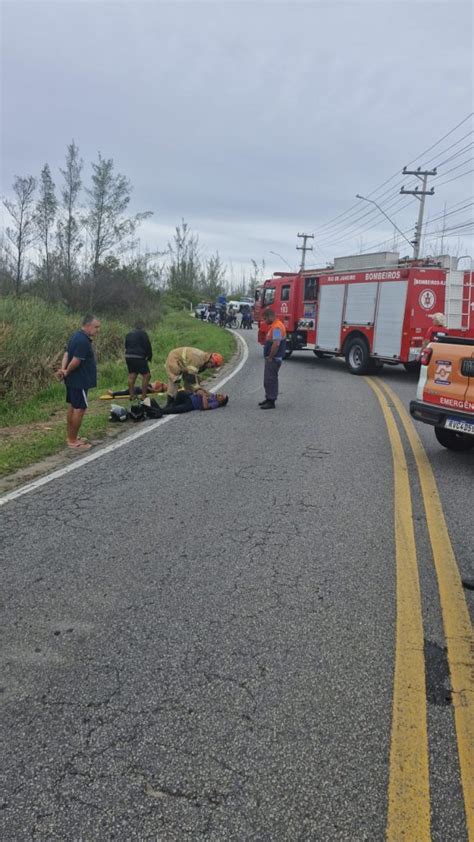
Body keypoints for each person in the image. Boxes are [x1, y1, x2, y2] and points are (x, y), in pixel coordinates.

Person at [57, 314, 101, 449]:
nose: (98, 330)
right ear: (88, 326)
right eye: (96, 327)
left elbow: (66, 354)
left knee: (72, 407)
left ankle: (71, 436)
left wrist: (63, 370)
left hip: (72, 380)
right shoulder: (83, 341)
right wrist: (67, 371)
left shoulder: (75, 336)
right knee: (80, 409)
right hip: (79, 381)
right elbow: (76, 360)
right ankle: (72, 440)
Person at [259, 308, 287, 409]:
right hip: (273, 358)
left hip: (274, 359)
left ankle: (271, 401)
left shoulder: (277, 327)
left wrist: (270, 357)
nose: (264, 321)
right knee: (268, 379)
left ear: (270, 317)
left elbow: (276, 344)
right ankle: (268, 398)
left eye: (265, 319)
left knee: (270, 379)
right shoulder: (275, 326)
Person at [125, 320, 153, 401]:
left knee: (132, 375)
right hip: (138, 356)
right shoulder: (143, 333)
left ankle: (132, 396)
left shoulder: (129, 334)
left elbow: (126, 345)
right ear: (142, 327)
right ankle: (143, 396)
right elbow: (147, 345)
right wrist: (149, 356)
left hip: (128, 356)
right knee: (147, 375)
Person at [162, 388, 229, 414]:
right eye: (221, 394)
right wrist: (200, 389)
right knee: (180, 393)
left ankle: (160, 411)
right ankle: (165, 407)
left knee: (176, 409)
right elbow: (205, 391)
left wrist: (203, 395)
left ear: (221, 401)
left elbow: (205, 407)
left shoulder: (215, 403)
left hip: (192, 404)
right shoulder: (213, 396)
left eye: (222, 396)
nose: (220, 395)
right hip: (190, 396)